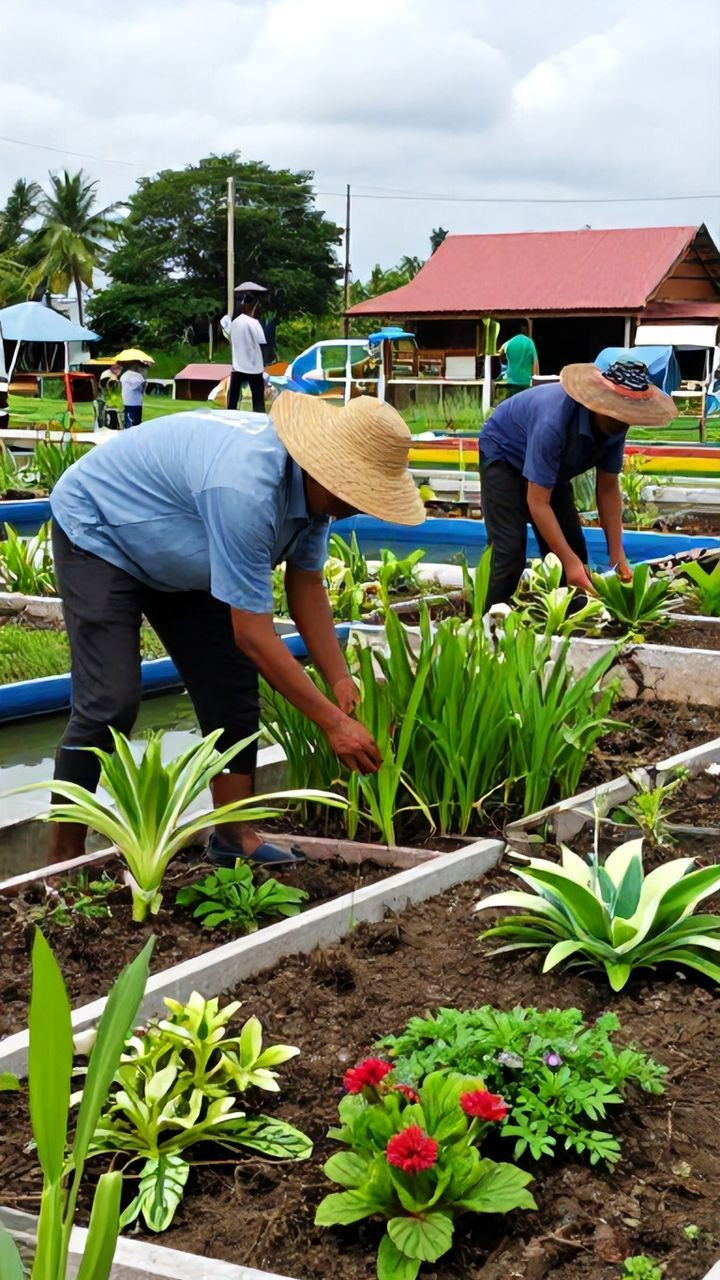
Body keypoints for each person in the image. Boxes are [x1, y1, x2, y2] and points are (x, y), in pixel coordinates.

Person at [49, 393, 425, 867]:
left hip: (184, 548)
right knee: (109, 701)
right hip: (102, 530)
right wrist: (332, 723)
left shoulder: (315, 499)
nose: (362, 506)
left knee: (230, 683)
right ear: (330, 473)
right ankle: (60, 861)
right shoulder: (248, 489)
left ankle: (232, 835)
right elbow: (253, 634)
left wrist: (339, 681)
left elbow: (306, 584)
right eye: (361, 493)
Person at [479, 359, 678, 607]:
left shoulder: (615, 425)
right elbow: (537, 502)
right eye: (615, 413)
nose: (621, 422)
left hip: (552, 470)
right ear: (597, 403)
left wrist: (617, 555)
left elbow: (607, 488)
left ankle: (570, 625)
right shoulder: (553, 423)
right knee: (509, 551)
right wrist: (569, 562)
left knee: (574, 551)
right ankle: (486, 623)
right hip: (505, 453)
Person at [220, 294, 266, 412]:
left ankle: (231, 415)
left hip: (239, 365)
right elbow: (262, 341)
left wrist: (226, 320)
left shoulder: (234, 323)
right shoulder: (254, 323)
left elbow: (226, 331)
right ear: (251, 307)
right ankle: (259, 417)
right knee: (258, 399)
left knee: (233, 398)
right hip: (254, 365)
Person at [497, 320, 539, 395]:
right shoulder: (529, 343)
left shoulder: (508, 343)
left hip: (510, 381)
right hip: (525, 382)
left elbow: (498, 355)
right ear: (526, 329)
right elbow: (535, 363)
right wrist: (536, 380)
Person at [119, 361, 147, 428]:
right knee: (134, 425)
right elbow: (139, 386)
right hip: (134, 403)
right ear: (135, 365)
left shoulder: (124, 375)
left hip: (127, 402)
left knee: (129, 422)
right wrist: (143, 383)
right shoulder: (136, 376)